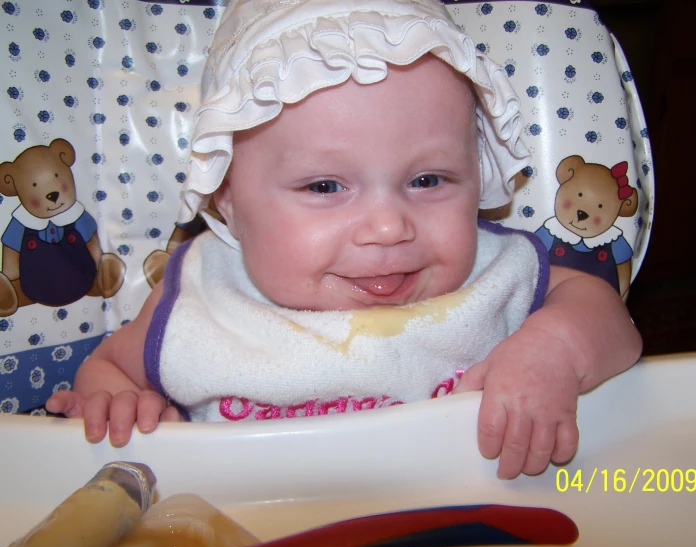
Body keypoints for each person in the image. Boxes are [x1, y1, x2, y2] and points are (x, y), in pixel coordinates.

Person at [46, 0, 641, 479]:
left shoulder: (496, 274)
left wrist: (553, 350)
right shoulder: (202, 301)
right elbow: (109, 367)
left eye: (428, 179)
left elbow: (608, 318)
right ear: (226, 194)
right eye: (326, 185)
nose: (388, 228)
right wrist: (120, 405)